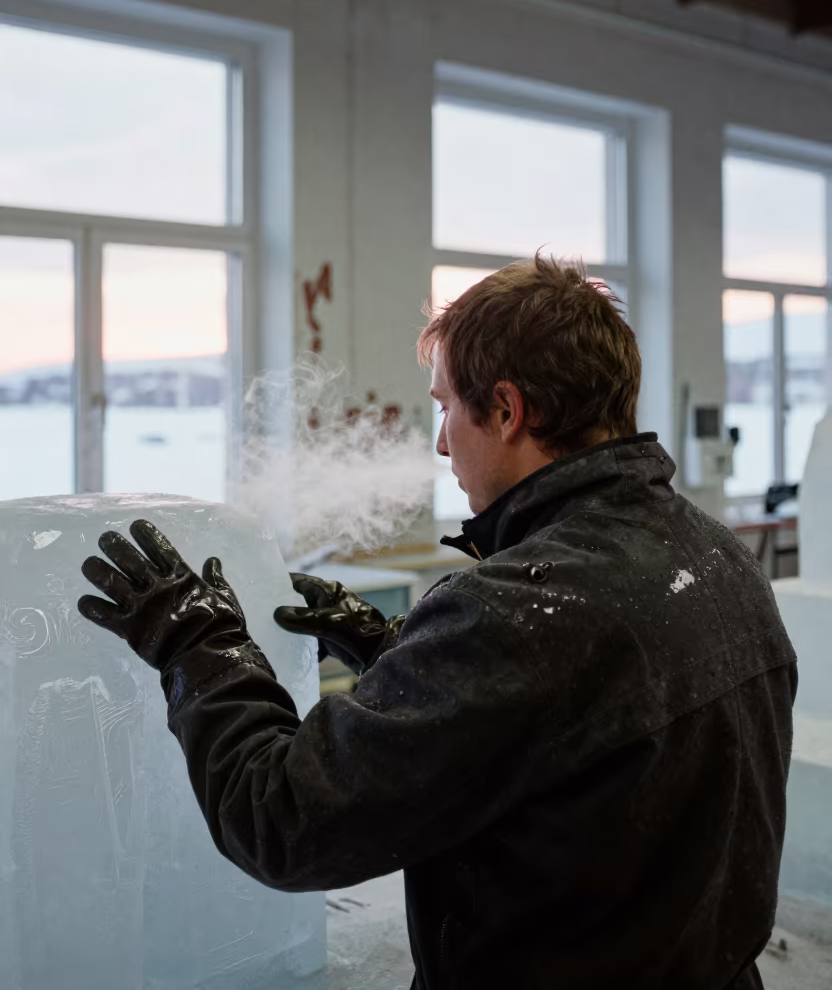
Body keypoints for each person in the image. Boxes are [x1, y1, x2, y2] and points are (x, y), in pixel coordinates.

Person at [78, 255, 796, 990]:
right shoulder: (717, 556)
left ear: (510, 410)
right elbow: (581, 731)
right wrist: (399, 652)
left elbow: (284, 819)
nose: (442, 443)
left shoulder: (520, 611)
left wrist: (198, 644)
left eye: (447, 407)